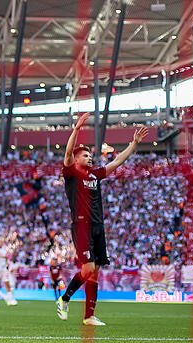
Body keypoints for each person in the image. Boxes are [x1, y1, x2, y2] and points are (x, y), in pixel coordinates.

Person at [56, 112, 147, 326]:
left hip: (98, 226)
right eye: (85, 156)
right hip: (81, 226)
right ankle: (64, 298)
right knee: (87, 269)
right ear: (77, 160)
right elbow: (68, 152)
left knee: (95, 273)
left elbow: (117, 161)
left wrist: (133, 144)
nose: (89, 158)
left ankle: (89, 316)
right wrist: (77, 129)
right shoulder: (71, 173)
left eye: (90, 156)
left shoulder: (96, 174)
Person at [0, 237, 17, 307]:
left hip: (3, 268)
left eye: (2, 241)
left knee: (7, 283)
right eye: (0, 241)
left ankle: (10, 300)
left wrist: (8, 263)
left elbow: (6, 259)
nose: (1, 243)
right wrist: (4, 256)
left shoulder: (4, 249)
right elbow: (0, 254)